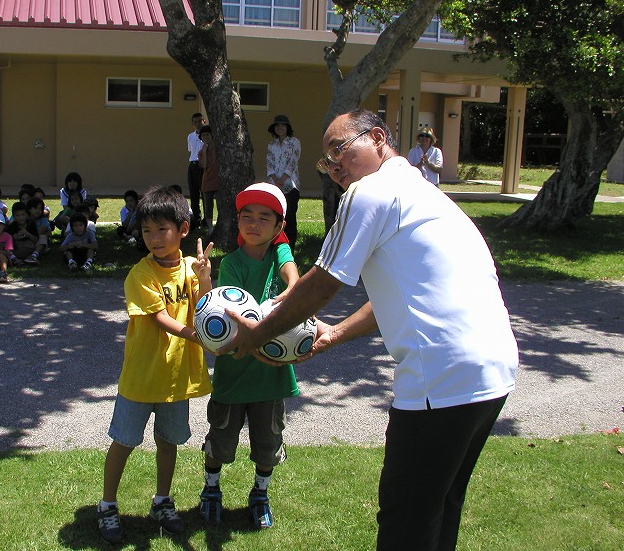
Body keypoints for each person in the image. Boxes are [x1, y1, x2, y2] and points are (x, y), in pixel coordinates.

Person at [222, 108, 519, 551]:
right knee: (440, 506)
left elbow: (323, 282)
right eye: (326, 161)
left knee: (406, 516)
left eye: (339, 148)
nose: (334, 166)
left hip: (439, 374)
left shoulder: (372, 190)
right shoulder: (422, 193)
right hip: (491, 372)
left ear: (378, 137)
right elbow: (403, 297)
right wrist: (334, 334)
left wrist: (255, 335)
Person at [97, 185, 214, 545]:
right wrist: (198, 337)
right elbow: (161, 319)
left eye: (161, 230)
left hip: (177, 379)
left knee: (168, 441)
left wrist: (206, 274)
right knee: (124, 441)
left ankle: (162, 502)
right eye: (146, 231)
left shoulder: (191, 269)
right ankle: (107, 505)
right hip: (140, 378)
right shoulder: (140, 274)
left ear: (182, 229)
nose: (153, 238)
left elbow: (207, 305)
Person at [198, 182, 299, 530]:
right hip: (235, 370)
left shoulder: (279, 255)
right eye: (246, 216)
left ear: (278, 227)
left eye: (264, 217)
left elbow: (292, 278)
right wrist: (262, 335)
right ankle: (211, 489)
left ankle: (260, 494)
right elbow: (233, 315)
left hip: (271, 378)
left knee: (268, 443)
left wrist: (288, 295)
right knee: (221, 441)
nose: (253, 223)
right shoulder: (232, 263)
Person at [266, 114, 301, 250]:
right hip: (274, 185)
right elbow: (269, 162)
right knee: (275, 217)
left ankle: (289, 248)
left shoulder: (294, 142)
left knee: (290, 218)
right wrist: (275, 179)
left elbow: (293, 161)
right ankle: (275, 246)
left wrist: (284, 178)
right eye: (277, 126)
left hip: (291, 185)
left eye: (282, 125)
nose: (280, 128)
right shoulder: (271, 144)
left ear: (287, 127)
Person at [198, 125, 220, 235]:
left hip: (219, 180)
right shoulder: (201, 152)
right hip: (207, 180)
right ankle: (210, 227)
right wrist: (205, 150)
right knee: (208, 205)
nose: (206, 137)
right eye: (203, 135)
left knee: (220, 204)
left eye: (207, 134)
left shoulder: (218, 148)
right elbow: (204, 165)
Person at [186, 112, 206, 229]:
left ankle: (205, 219)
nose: (198, 124)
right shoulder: (190, 136)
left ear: (204, 121)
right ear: (193, 124)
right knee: (193, 193)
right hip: (192, 165)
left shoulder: (207, 136)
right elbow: (191, 151)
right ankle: (196, 218)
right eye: (195, 122)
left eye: (200, 121)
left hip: (202, 166)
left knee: (204, 193)